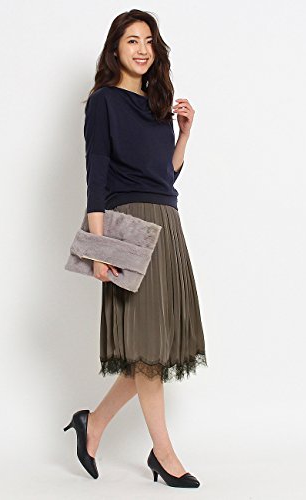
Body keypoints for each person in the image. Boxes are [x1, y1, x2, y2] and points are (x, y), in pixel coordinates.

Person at [63, 9, 207, 488]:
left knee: (153, 347)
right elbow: (97, 175)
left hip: (166, 222)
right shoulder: (103, 102)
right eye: (132, 41)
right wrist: (98, 246)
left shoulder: (156, 104)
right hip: (128, 226)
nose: (142, 49)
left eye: (148, 41)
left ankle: (92, 423)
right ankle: (164, 455)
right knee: (147, 346)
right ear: (115, 49)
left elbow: (164, 175)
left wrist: (184, 134)